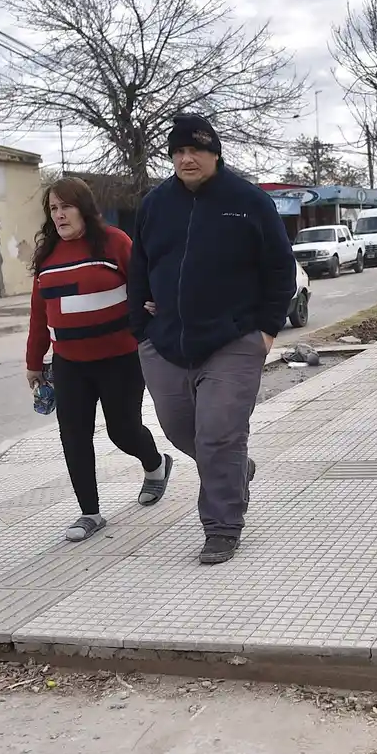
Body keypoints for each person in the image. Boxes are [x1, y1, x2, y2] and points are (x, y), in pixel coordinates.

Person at [130, 113, 297, 565]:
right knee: (181, 430)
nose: (187, 158)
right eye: (179, 151)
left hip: (233, 340)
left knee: (219, 434)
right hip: (164, 342)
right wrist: (140, 328)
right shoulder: (155, 204)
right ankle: (236, 470)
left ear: (215, 153)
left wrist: (265, 330)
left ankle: (222, 526)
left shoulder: (248, 201)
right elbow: (139, 268)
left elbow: (281, 269)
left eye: (197, 150)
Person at [25, 177, 173, 543]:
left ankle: (155, 465)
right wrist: (33, 361)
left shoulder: (114, 242)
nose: (59, 215)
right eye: (53, 208)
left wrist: (156, 309)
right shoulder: (47, 255)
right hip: (69, 363)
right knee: (73, 436)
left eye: (66, 207)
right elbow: (38, 314)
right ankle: (89, 512)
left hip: (120, 358)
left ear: (84, 208)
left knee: (123, 431)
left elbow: (146, 283)